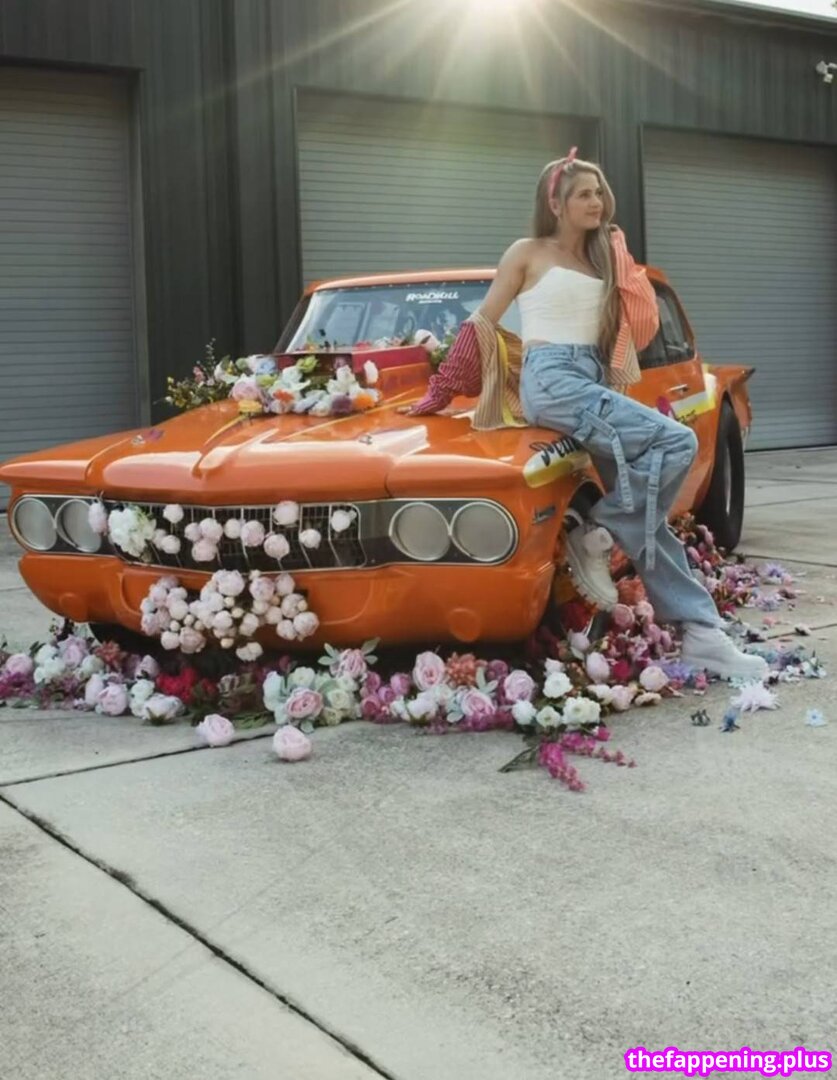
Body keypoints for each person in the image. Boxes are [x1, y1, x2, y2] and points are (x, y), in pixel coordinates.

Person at [401, 150, 767, 681]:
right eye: (583, 194)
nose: (596, 202)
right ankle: (600, 531)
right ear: (556, 203)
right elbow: (482, 323)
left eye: (599, 192)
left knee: (650, 518)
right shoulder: (528, 252)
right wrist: (441, 389)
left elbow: (640, 327)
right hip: (551, 379)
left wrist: (620, 259)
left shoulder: (602, 258)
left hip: (590, 379)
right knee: (677, 443)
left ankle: (702, 634)